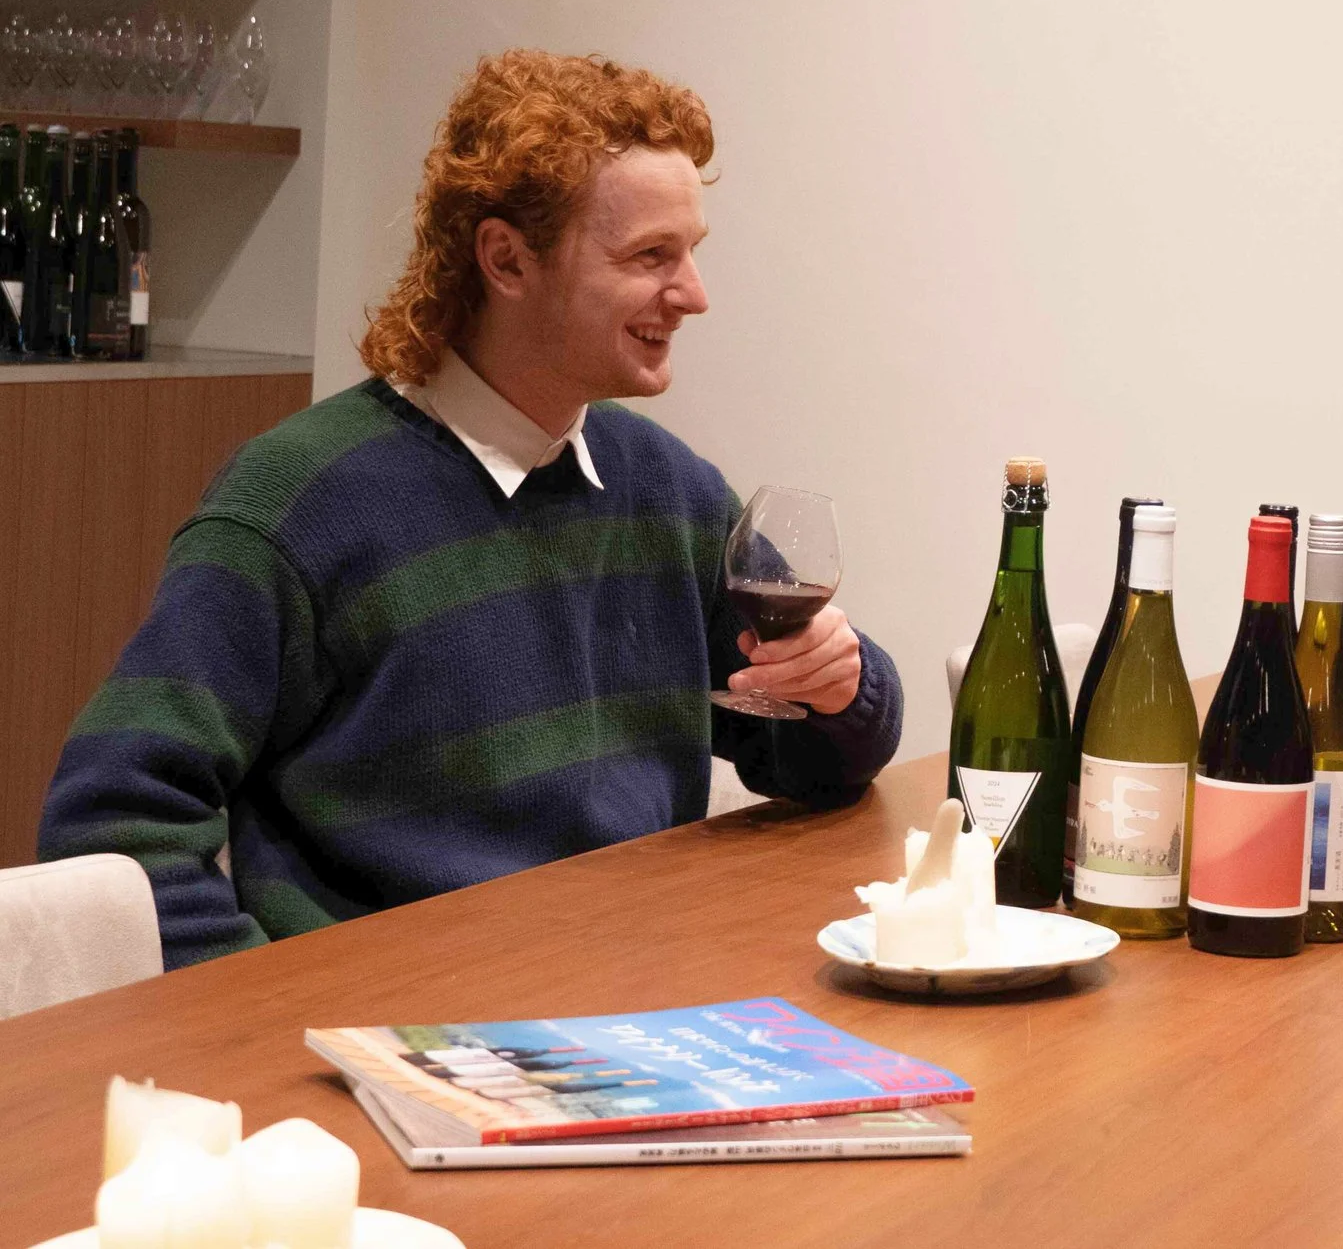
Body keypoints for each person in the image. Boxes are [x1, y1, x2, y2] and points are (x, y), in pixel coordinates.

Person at [38, 50, 903, 970]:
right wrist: (260, 1012)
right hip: (397, 1049)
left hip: (635, 1012)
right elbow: (114, 823)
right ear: (507, 259)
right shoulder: (295, 504)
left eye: (691, 252)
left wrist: (841, 688)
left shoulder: (669, 489)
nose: (693, 294)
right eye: (652, 256)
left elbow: (812, 756)